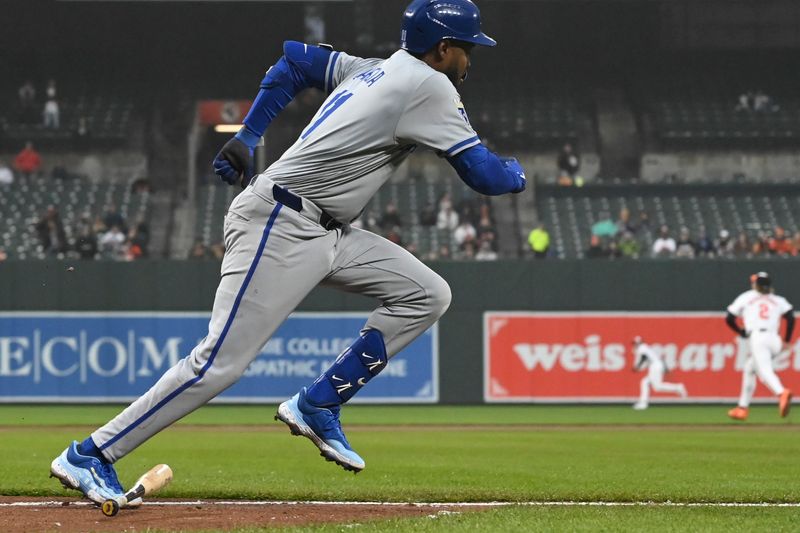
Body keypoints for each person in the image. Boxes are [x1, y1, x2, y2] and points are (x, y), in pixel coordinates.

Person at [50, 0, 525, 503]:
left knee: (426, 293)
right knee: (218, 364)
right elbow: (485, 176)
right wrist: (517, 170)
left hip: (327, 231)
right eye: (467, 49)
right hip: (280, 223)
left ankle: (319, 404)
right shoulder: (430, 85)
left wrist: (250, 132)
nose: (471, 59)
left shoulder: (372, 70)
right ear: (444, 48)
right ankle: (91, 454)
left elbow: (295, 61)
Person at [724, 272, 794, 421]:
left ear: (756, 285)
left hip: (758, 337)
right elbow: (790, 317)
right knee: (750, 368)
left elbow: (729, 317)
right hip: (775, 339)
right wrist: (787, 340)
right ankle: (742, 408)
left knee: (764, 370)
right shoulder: (778, 300)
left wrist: (740, 331)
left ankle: (781, 392)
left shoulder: (748, 297)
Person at [631, 336, 687, 410]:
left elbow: (644, 357)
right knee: (645, 382)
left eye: (635, 343)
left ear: (639, 342)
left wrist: (638, 366)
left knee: (657, 386)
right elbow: (653, 357)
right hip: (655, 365)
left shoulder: (642, 347)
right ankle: (643, 403)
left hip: (655, 366)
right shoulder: (645, 347)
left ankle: (678, 387)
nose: (634, 344)